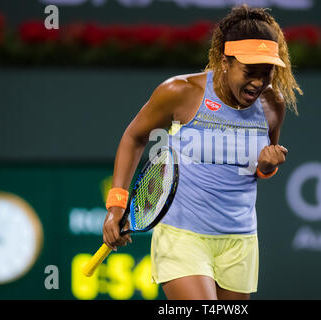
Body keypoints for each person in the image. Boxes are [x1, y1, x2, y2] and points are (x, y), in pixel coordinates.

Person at [102, 4, 303, 300]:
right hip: (182, 236)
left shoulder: (273, 105)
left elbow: (259, 171)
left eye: (267, 73)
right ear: (225, 61)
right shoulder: (180, 92)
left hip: (240, 241)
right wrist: (117, 205)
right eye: (250, 72)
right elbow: (134, 137)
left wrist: (267, 166)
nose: (259, 83)